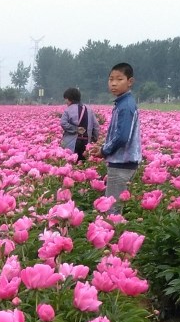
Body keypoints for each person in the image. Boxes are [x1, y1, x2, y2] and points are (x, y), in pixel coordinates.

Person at [100, 62, 141, 214]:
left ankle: (113, 229)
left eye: (119, 79)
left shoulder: (125, 106)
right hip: (122, 162)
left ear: (130, 82)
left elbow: (122, 137)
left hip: (121, 163)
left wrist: (104, 150)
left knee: (113, 210)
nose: (114, 83)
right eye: (111, 79)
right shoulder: (123, 103)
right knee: (114, 207)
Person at [60, 87, 99, 162]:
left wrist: (75, 129)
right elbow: (96, 125)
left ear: (70, 98)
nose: (65, 101)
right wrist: (94, 139)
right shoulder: (89, 109)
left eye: (66, 99)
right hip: (86, 141)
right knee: (83, 163)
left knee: (72, 162)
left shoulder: (68, 110)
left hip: (72, 142)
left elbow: (63, 123)